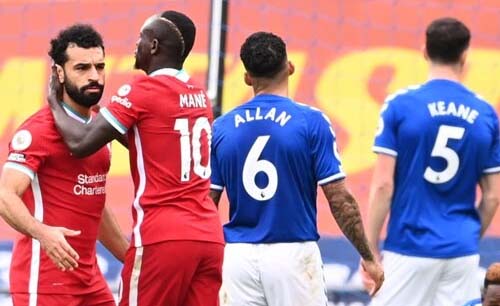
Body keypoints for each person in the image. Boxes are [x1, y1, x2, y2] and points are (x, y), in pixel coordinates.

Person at [47, 11, 224, 306]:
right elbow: (151, 144)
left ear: (154, 46)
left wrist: (54, 101)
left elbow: (79, 144)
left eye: (141, 38)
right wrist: (111, 116)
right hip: (208, 237)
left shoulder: (144, 89)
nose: (135, 45)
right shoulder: (199, 94)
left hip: (163, 235)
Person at [209, 31, 384, 306]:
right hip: (293, 255)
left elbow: (207, 204)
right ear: (289, 67)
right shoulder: (310, 122)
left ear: (246, 78)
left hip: (238, 257)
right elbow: (340, 199)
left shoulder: (221, 127)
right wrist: (368, 256)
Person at [366, 17, 500, 306]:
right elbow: (492, 196)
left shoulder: (400, 105)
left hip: (409, 247)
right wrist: (465, 237)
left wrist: (369, 249)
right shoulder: (485, 113)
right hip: (461, 252)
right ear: (465, 55)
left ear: (424, 50)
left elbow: (383, 187)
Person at [0, 24, 128, 306]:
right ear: (59, 73)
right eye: (81, 68)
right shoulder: (38, 130)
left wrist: (128, 256)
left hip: (90, 279)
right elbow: (5, 196)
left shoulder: (100, 126)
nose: (94, 76)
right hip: (45, 282)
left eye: (99, 66)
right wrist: (42, 232)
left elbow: (94, 201)